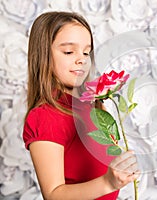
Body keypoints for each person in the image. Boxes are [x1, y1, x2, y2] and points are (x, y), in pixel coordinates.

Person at [23, 11, 139, 200]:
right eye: (69, 51)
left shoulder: (92, 106)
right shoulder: (45, 116)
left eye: (86, 52)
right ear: (43, 55)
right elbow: (53, 194)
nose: (82, 59)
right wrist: (108, 182)